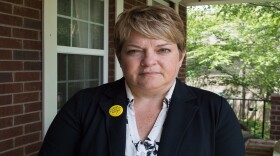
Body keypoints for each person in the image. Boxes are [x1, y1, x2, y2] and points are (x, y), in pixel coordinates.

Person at [38, 5, 245, 156]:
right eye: (135, 51)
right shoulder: (83, 105)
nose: (149, 61)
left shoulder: (214, 111)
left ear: (181, 56)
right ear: (120, 57)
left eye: (163, 50)